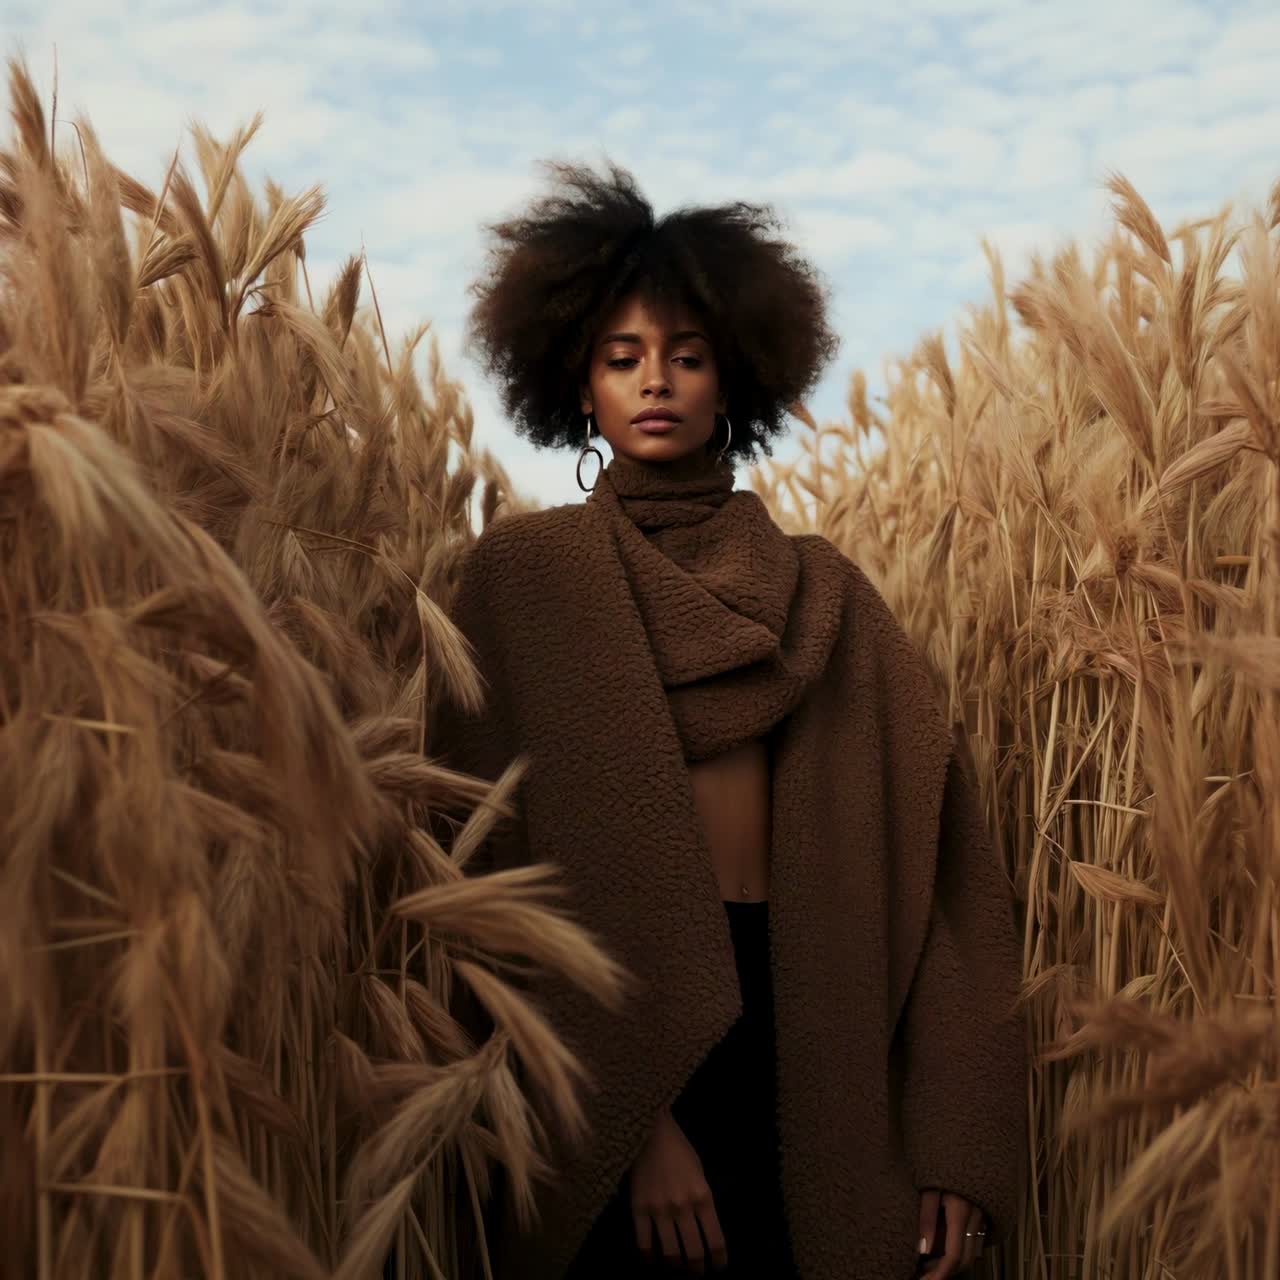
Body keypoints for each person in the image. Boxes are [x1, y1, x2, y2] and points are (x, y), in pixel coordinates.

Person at [434, 159, 1027, 1280]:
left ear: (733, 379)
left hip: (809, 1036)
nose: (653, 381)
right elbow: (481, 888)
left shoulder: (826, 593)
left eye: (686, 355)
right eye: (621, 359)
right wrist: (635, 1117)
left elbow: (944, 877)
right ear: (578, 388)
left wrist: (958, 1135)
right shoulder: (529, 580)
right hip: (614, 1042)